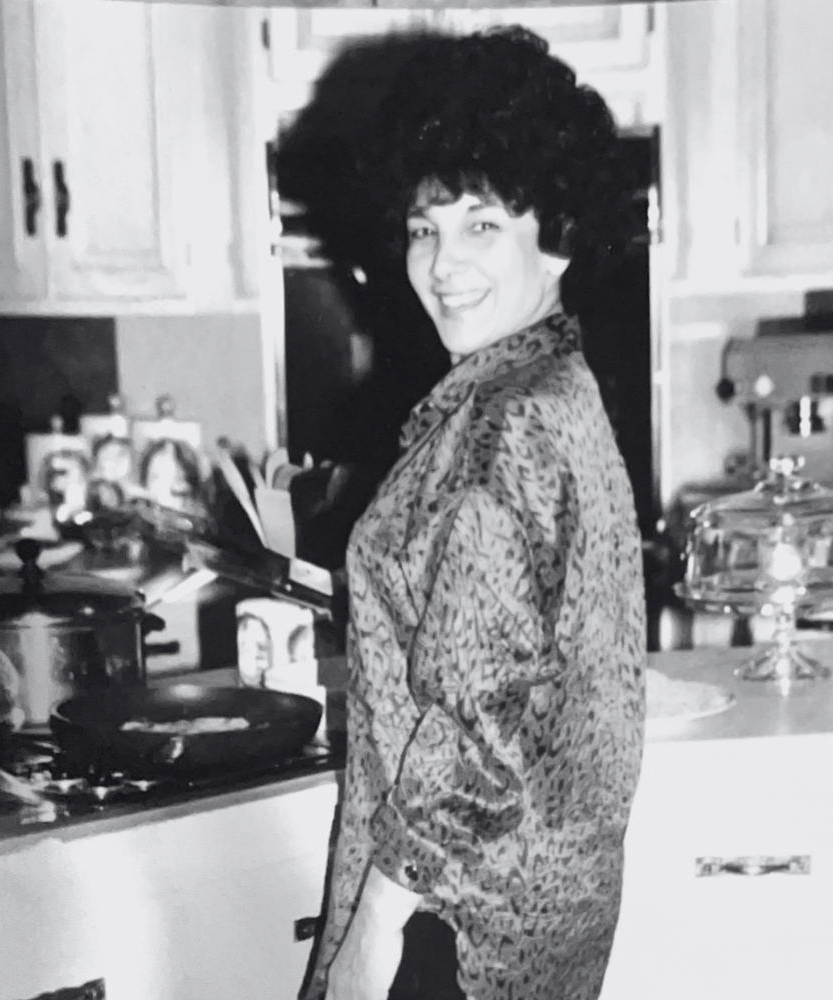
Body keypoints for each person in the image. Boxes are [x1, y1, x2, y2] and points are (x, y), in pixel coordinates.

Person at [300, 26, 646, 1000]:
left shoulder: (504, 427)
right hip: (532, 916)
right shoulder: (555, 384)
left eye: (481, 224)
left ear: (558, 234)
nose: (443, 263)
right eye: (425, 228)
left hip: (450, 924)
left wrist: (370, 929)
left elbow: (474, 733)